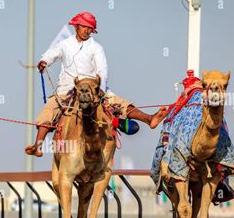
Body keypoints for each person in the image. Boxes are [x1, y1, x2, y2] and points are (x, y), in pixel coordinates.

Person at [25, 11, 168, 157]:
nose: (86, 31)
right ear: (76, 26)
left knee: (120, 103)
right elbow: (52, 54)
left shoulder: (96, 48)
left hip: (92, 87)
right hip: (68, 88)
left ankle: (149, 119)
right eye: (84, 27)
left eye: (90, 28)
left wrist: (100, 88)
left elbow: (103, 70)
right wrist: (44, 62)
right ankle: (38, 146)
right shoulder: (65, 44)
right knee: (49, 110)